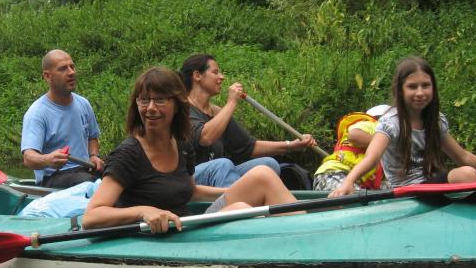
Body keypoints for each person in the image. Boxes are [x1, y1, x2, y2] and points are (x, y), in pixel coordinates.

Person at [82, 67, 300, 234]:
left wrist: (241, 190)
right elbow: (91, 217)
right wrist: (144, 212)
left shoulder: (181, 142)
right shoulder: (128, 153)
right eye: (144, 100)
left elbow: (191, 191)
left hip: (187, 226)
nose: (150, 108)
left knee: (262, 175)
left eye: (160, 100)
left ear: (177, 104)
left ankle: (309, 234)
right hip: (162, 237)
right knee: (240, 207)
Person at [329, 57, 476, 198]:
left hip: (435, 182)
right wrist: (349, 181)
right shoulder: (391, 123)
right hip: (410, 190)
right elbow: (372, 158)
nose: (420, 92)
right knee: (467, 175)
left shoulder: (435, 121)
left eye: (425, 85)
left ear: (433, 88)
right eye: (412, 87)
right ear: (400, 90)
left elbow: (462, 156)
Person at [179, 54, 317, 187]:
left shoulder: (218, 113)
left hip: (220, 174)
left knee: (268, 164)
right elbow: (205, 138)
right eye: (215, 72)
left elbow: (248, 147)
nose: (222, 77)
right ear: (197, 75)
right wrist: (231, 103)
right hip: (189, 178)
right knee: (223, 164)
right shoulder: (181, 110)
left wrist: (291, 145)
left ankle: (255, 198)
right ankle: (239, 201)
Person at [21, 49, 104, 187]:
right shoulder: (37, 113)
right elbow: (28, 158)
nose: (71, 72)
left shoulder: (83, 104)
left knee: (120, 173)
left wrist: (94, 156)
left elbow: (92, 137)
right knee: (88, 182)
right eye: (63, 69)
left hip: (85, 171)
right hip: (54, 177)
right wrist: (48, 159)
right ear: (48, 76)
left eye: (72, 66)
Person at [312, 104, 392, 191]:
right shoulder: (372, 125)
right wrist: (383, 142)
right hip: (334, 174)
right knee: (358, 196)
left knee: (396, 187)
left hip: (356, 182)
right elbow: (353, 135)